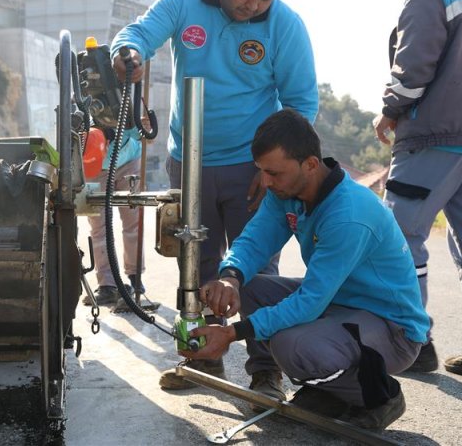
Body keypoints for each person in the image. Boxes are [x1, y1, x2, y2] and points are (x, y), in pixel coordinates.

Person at [111, 0, 318, 395]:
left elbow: (301, 102)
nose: (254, 5)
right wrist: (126, 55)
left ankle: (266, 370)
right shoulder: (186, 1)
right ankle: (201, 359)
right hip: (190, 162)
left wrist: (275, 171)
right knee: (197, 264)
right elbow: (137, 34)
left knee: (258, 268)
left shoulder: (284, 25)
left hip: (253, 172)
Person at [181, 109, 428, 429]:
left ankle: (378, 395)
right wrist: (230, 276)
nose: (265, 182)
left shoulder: (349, 214)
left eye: (274, 173)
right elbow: (254, 240)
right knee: (250, 287)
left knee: (291, 347)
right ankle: (322, 386)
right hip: (339, 305)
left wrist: (230, 333)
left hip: (391, 328)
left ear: (310, 164)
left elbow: (311, 301)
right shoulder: (288, 191)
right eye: (262, 171)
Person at [373, 0, 462, 378]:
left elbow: (414, 65)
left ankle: (414, 343)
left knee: (396, 238)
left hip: (434, 136)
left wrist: (390, 109)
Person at [82, 127, 150, 306]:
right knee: (99, 226)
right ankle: (107, 286)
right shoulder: (80, 101)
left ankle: (135, 277)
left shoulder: (126, 99)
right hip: (94, 163)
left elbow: (146, 135)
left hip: (128, 159)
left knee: (133, 221)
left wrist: (144, 127)